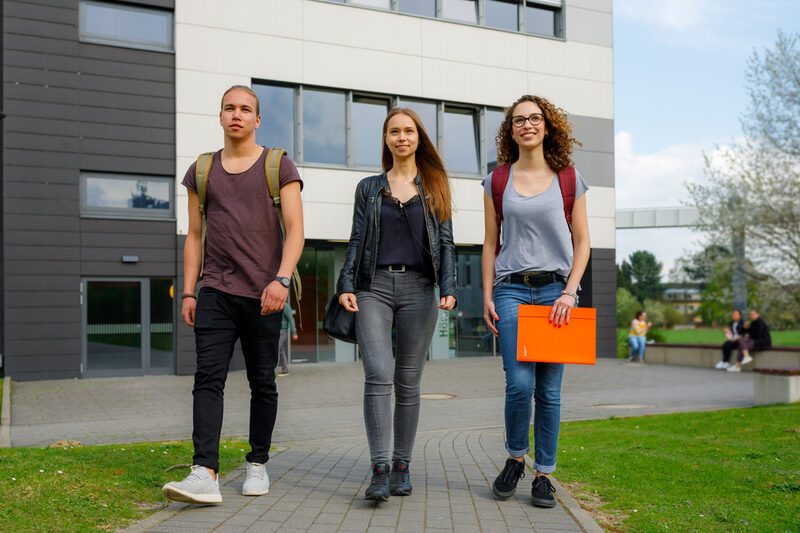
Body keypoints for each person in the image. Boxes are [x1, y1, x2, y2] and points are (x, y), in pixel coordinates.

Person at [162, 85, 304, 504]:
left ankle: (257, 463)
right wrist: (189, 291)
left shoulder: (279, 165)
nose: (237, 115)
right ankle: (204, 471)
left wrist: (280, 280)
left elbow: (295, 230)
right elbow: (194, 235)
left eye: (246, 109)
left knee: (263, 382)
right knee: (208, 378)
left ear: (257, 120)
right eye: (230, 108)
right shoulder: (202, 170)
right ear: (220, 116)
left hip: (265, 293)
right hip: (216, 291)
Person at [336, 107, 457, 502]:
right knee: (378, 372)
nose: (401, 137)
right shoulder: (369, 188)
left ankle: (402, 467)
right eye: (394, 131)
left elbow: (447, 242)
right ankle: (380, 468)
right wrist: (346, 284)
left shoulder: (435, 185)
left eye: (408, 131)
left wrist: (449, 286)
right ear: (386, 139)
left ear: (418, 137)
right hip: (373, 287)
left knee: (408, 381)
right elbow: (356, 239)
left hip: (420, 288)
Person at [482, 95, 590, 508]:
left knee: (549, 391)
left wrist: (570, 292)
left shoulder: (568, 177)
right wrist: (488, 293)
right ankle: (515, 457)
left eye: (534, 118)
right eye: (518, 120)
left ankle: (544, 474)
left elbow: (583, 241)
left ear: (547, 126)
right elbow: (491, 243)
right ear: (510, 130)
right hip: (511, 289)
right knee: (518, 383)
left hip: (555, 293)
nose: (527, 125)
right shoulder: (497, 181)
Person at [277, 302, 298, 376]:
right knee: (280, 350)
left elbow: (291, 319)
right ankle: (285, 370)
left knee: (275, 350)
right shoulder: (274, 304)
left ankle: (270, 371)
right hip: (275, 332)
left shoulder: (285, 306)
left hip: (282, 332)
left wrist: (294, 332)